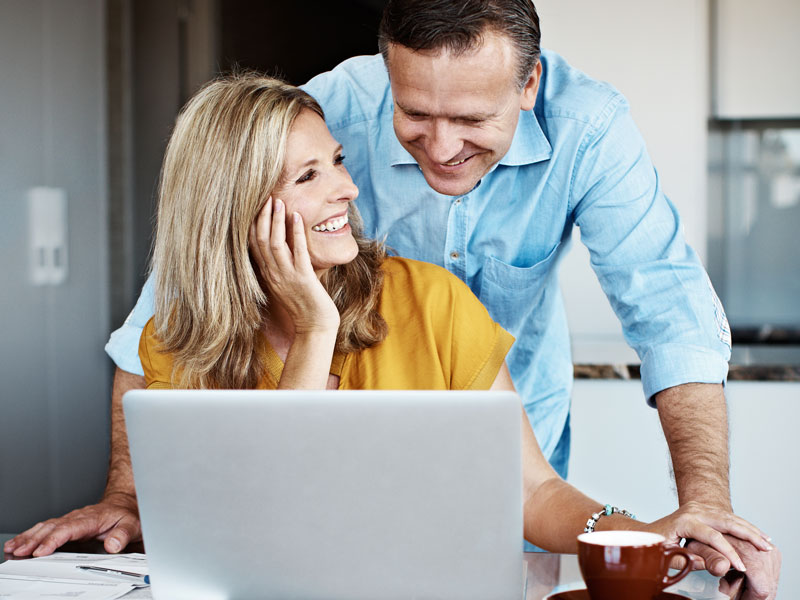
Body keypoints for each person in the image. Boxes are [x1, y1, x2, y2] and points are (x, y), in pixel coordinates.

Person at [6, 1, 781, 595]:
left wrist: (669, 526)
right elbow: (256, 512)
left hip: (484, 512)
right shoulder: (322, 111)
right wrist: (127, 495)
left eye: (472, 119)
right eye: (415, 117)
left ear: (529, 85)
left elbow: (661, 316)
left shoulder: (581, 138)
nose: (439, 150)